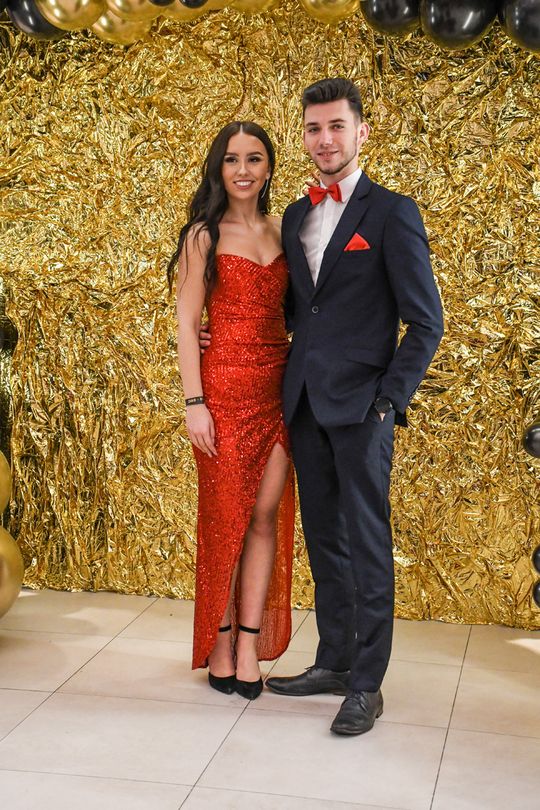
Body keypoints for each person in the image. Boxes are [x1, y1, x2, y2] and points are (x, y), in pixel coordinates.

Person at [202, 78, 444, 735]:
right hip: (303, 404)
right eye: (314, 128)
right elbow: (295, 311)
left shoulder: (392, 213)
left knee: (367, 544)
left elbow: (426, 322)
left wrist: (389, 400)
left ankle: (366, 684)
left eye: (337, 126)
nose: (325, 139)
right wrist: (222, 332)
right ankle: (335, 660)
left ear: (360, 132)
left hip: (364, 408)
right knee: (324, 539)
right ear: (304, 137)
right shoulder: (297, 216)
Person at [168, 121, 295, 701]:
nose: (243, 169)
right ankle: (219, 642)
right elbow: (186, 324)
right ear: (218, 169)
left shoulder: (284, 230)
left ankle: (248, 644)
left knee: (264, 517)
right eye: (232, 159)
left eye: (254, 158)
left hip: (278, 389)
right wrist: (195, 403)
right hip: (221, 393)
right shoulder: (203, 235)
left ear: (268, 168)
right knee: (225, 521)